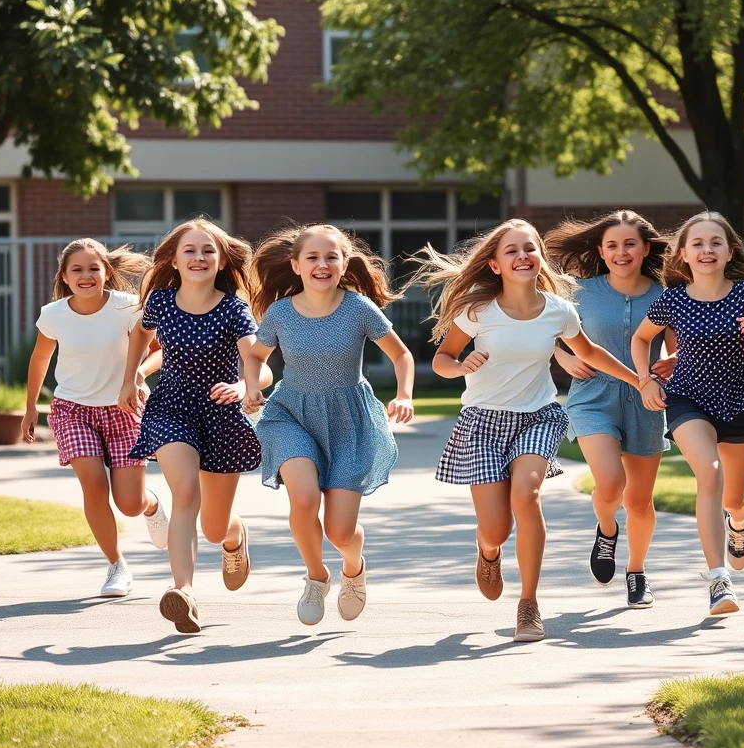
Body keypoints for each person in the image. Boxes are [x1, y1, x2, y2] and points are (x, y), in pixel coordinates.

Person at [409, 219, 642, 642]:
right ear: (495, 265)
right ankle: (489, 550)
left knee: (527, 494)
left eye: (530, 248)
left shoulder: (558, 310)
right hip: (483, 421)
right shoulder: (477, 311)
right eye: (512, 251)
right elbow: (442, 357)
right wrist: (460, 366)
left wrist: (638, 380)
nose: (522, 256)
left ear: (540, 258)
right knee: (496, 527)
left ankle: (529, 604)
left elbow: (589, 352)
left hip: (537, 416)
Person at [243, 224, 415, 626]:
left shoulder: (357, 308)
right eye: (313, 258)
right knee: (303, 498)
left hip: (348, 422)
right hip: (291, 415)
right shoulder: (281, 312)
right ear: (296, 265)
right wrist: (252, 385)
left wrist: (404, 394)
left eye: (331, 257)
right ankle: (317, 577)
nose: (322, 265)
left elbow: (402, 355)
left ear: (344, 263)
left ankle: (352, 567)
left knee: (340, 532)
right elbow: (255, 356)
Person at [631, 210, 744, 616]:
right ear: (683, 254)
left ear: (729, 251)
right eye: (698, 243)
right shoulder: (672, 300)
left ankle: (739, 520)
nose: (707, 250)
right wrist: (646, 380)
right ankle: (719, 580)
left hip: (740, 400)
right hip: (688, 398)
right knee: (711, 473)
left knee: (734, 497)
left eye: (715, 243)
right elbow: (641, 339)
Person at [118, 219, 272, 634]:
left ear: (222, 260)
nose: (199, 257)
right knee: (184, 491)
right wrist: (131, 376)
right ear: (174, 258)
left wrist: (244, 385)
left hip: (221, 417)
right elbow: (140, 336)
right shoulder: (161, 302)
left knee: (214, 526)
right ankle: (183, 593)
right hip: (172, 410)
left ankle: (234, 535)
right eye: (190, 250)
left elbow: (260, 366)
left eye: (208, 250)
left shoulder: (233, 309)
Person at [22, 238, 169, 597]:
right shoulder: (53, 314)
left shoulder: (129, 308)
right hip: (72, 410)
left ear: (106, 272)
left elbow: (158, 351)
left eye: (93, 268)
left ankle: (150, 503)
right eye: (77, 269)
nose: (86, 276)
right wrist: (30, 408)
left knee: (129, 503)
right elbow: (41, 359)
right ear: (65, 276)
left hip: (123, 409)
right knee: (93, 485)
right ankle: (116, 566)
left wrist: (137, 376)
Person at [545, 210, 675, 608]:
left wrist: (672, 360)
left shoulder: (665, 295)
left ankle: (636, 572)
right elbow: (543, 331)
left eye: (630, 244)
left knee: (639, 500)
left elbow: (674, 343)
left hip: (647, 398)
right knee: (611, 483)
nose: (622, 252)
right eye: (613, 245)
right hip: (591, 395)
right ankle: (606, 528)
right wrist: (563, 357)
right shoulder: (578, 292)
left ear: (646, 248)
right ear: (601, 251)